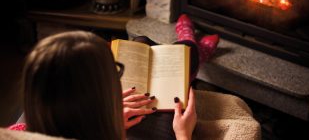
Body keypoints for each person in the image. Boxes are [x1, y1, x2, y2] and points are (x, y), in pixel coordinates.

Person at [8, 30, 198, 140]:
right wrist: (183, 134)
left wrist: (102, 121)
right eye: (115, 70)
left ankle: (187, 40)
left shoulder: (18, 132)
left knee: (142, 41)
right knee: (188, 52)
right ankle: (190, 41)